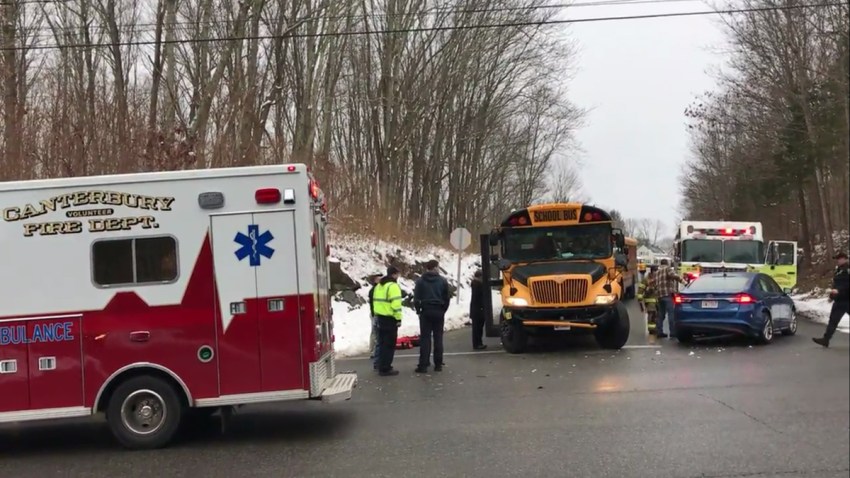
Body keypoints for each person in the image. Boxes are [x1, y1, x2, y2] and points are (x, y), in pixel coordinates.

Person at [414, 260, 450, 373]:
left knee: (425, 339)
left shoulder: (420, 281)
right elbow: (446, 297)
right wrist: (443, 309)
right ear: (435, 268)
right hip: (438, 310)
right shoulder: (442, 281)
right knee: (438, 338)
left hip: (426, 310)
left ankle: (423, 365)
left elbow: (416, 298)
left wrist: (418, 310)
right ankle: (438, 364)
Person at [813, 252, 849, 348]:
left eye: (839, 259)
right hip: (839, 300)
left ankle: (826, 339)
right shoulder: (838, 270)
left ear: (845, 259)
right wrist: (832, 296)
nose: (838, 261)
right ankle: (826, 339)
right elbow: (836, 284)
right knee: (833, 320)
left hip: (847, 299)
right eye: (837, 259)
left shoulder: (848, 270)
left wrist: (839, 290)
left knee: (833, 320)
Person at [372, 266, 403, 376]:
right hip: (390, 318)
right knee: (389, 344)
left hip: (380, 317)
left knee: (382, 343)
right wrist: (398, 318)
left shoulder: (379, 286)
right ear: (394, 274)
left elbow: (374, 301)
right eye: (398, 274)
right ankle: (386, 368)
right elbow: (396, 304)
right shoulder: (393, 286)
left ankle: (381, 365)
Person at [645, 259, 685, 338]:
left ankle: (659, 332)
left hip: (659, 296)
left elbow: (651, 283)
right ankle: (673, 332)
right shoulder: (667, 269)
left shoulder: (657, 273)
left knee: (660, 315)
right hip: (668, 295)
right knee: (671, 314)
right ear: (667, 263)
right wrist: (683, 282)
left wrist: (647, 292)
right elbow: (674, 276)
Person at [367, 273, 382, 370]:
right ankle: (372, 350)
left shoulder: (379, 289)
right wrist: (374, 314)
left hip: (376, 313)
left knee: (375, 332)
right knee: (374, 332)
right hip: (375, 314)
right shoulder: (374, 290)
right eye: (378, 278)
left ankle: (374, 350)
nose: (380, 279)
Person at [469, 270, 488, 350]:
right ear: (480, 277)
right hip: (478, 310)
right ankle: (477, 344)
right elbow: (479, 298)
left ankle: (477, 343)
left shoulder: (475, 284)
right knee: (477, 328)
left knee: (477, 327)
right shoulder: (478, 285)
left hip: (475, 309)